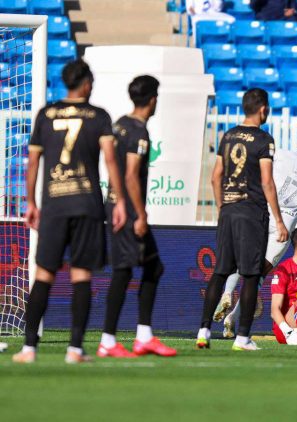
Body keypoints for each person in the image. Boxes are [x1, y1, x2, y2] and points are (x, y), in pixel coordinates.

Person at [13, 59, 127, 364]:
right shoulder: (99, 116)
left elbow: (33, 163)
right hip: (87, 203)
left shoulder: (45, 114)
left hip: (54, 203)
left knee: (44, 274)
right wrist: (120, 201)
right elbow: (111, 160)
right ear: (87, 83)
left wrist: (30, 202)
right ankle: (75, 349)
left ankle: (28, 349)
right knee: (81, 276)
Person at [197, 88, 289, 351]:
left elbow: (216, 176)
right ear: (262, 109)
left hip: (228, 211)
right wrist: (280, 222)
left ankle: (203, 331)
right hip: (251, 212)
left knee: (220, 271)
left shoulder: (227, 136)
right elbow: (267, 181)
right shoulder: (263, 139)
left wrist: (221, 208)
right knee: (250, 275)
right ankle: (243, 337)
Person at [97, 76, 177, 359]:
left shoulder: (120, 124)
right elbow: (131, 174)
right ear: (153, 99)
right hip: (128, 209)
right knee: (123, 271)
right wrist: (140, 214)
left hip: (116, 204)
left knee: (152, 267)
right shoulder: (139, 132)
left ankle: (143, 336)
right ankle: (108, 339)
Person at [213, 135, 297, 338]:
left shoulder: (280, 154)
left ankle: (227, 293)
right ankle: (231, 320)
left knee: (241, 261)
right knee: (259, 277)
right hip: (284, 226)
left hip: (262, 213)